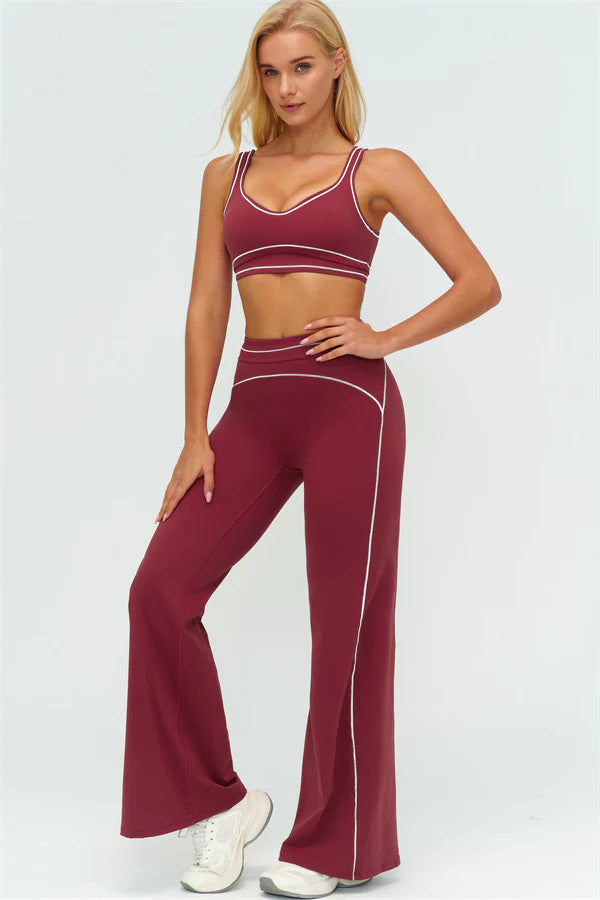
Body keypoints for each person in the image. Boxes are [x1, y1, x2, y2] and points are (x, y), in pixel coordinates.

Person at [119, 0, 501, 896]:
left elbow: (479, 281)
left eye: (300, 67)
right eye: (269, 71)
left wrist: (384, 337)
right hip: (252, 409)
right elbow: (207, 303)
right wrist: (193, 435)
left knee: (346, 622)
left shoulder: (379, 169)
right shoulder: (227, 175)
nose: (285, 87)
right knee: (158, 592)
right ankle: (220, 805)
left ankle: (334, 846)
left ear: (336, 64)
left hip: (348, 407)